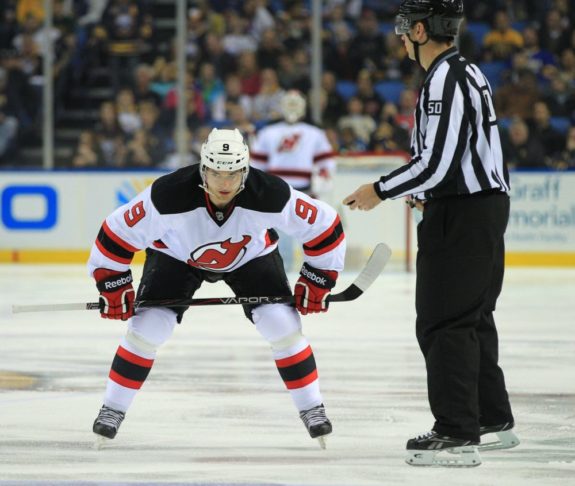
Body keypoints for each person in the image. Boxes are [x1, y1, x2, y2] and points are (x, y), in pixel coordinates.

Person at [88, 128, 346, 448]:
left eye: (233, 174)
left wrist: (318, 278)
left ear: (246, 171)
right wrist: (113, 285)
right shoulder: (167, 194)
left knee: (283, 326)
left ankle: (312, 408)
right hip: (176, 255)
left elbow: (326, 225)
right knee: (147, 329)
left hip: (252, 257)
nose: (224, 183)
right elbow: (115, 234)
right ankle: (112, 408)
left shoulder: (270, 193)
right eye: (216, 173)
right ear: (203, 170)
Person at [343, 0, 519, 467]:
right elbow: (454, 161)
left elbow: (436, 163)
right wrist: (430, 192)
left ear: (421, 31)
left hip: (462, 214)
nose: (400, 39)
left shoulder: (446, 78)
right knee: (473, 317)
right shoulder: (466, 71)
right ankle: (490, 419)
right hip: (476, 208)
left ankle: (457, 432)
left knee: (445, 321)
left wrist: (378, 190)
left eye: (404, 30)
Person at [250, 90, 337, 272]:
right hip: (275, 191)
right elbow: (255, 164)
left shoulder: (315, 132)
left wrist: (321, 181)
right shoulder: (268, 132)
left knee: (310, 233)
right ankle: (281, 273)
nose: (292, 108)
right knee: (277, 235)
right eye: (289, 104)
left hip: (305, 192)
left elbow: (327, 163)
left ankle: (311, 272)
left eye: (295, 104)